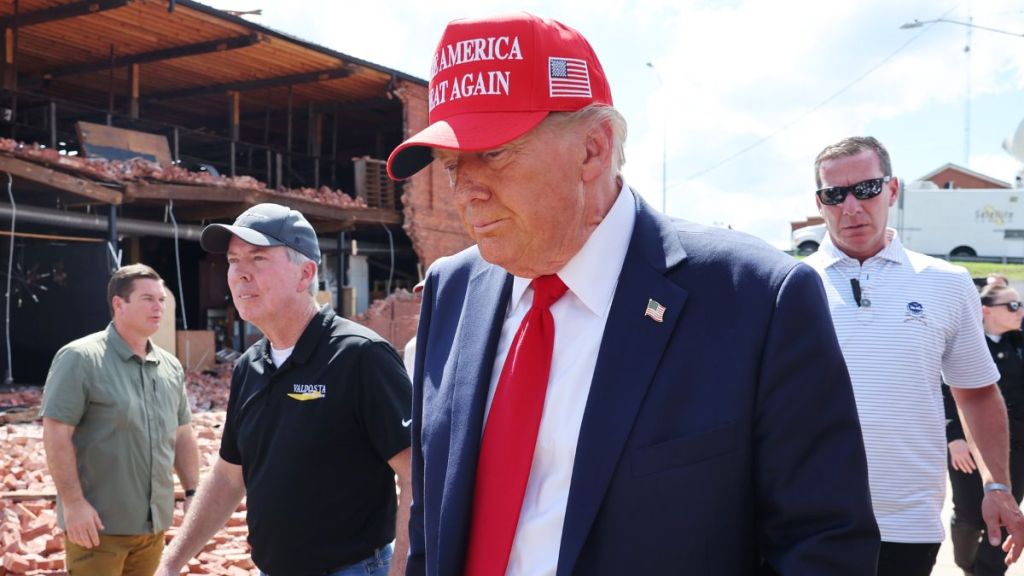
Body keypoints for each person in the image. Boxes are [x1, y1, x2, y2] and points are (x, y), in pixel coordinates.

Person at [386, 13, 879, 575]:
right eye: (452, 165)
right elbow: (432, 520)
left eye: (494, 154)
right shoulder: (451, 289)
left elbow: (823, 546)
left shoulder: (755, 299)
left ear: (593, 150)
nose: (466, 192)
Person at [804, 136, 1024, 576]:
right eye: (835, 195)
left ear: (892, 190)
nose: (851, 207)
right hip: (806, 520)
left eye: (866, 189)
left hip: (908, 524)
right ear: (819, 203)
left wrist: (997, 484)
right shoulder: (789, 283)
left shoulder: (948, 282)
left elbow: (977, 393)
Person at [155, 203, 412, 576]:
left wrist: (402, 571)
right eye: (233, 260)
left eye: (257, 258)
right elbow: (228, 476)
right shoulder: (250, 367)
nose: (240, 273)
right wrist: (171, 562)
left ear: (305, 274)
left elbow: (416, 474)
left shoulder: (360, 356)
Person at [41, 263, 199, 576]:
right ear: (118, 304)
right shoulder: (81, 358)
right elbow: (56, 433)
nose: (159, 307)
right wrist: (73, 504)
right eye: (147, 299)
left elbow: (182, 434)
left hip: (153, 528)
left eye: (161, 299)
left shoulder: (169, 367)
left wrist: (193, 492)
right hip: (98, 529)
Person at [945, 284, 1024, 576]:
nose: (1020, 311)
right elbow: (944, 392)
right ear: (985, 310)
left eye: (1020, 304)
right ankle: (967, 565)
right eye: (1012, 305)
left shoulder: (1019, 343)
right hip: (969, 448)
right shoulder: (965, 343)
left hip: (1016, 447)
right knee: (968, 515)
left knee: (1006, 512)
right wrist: (954, 438)